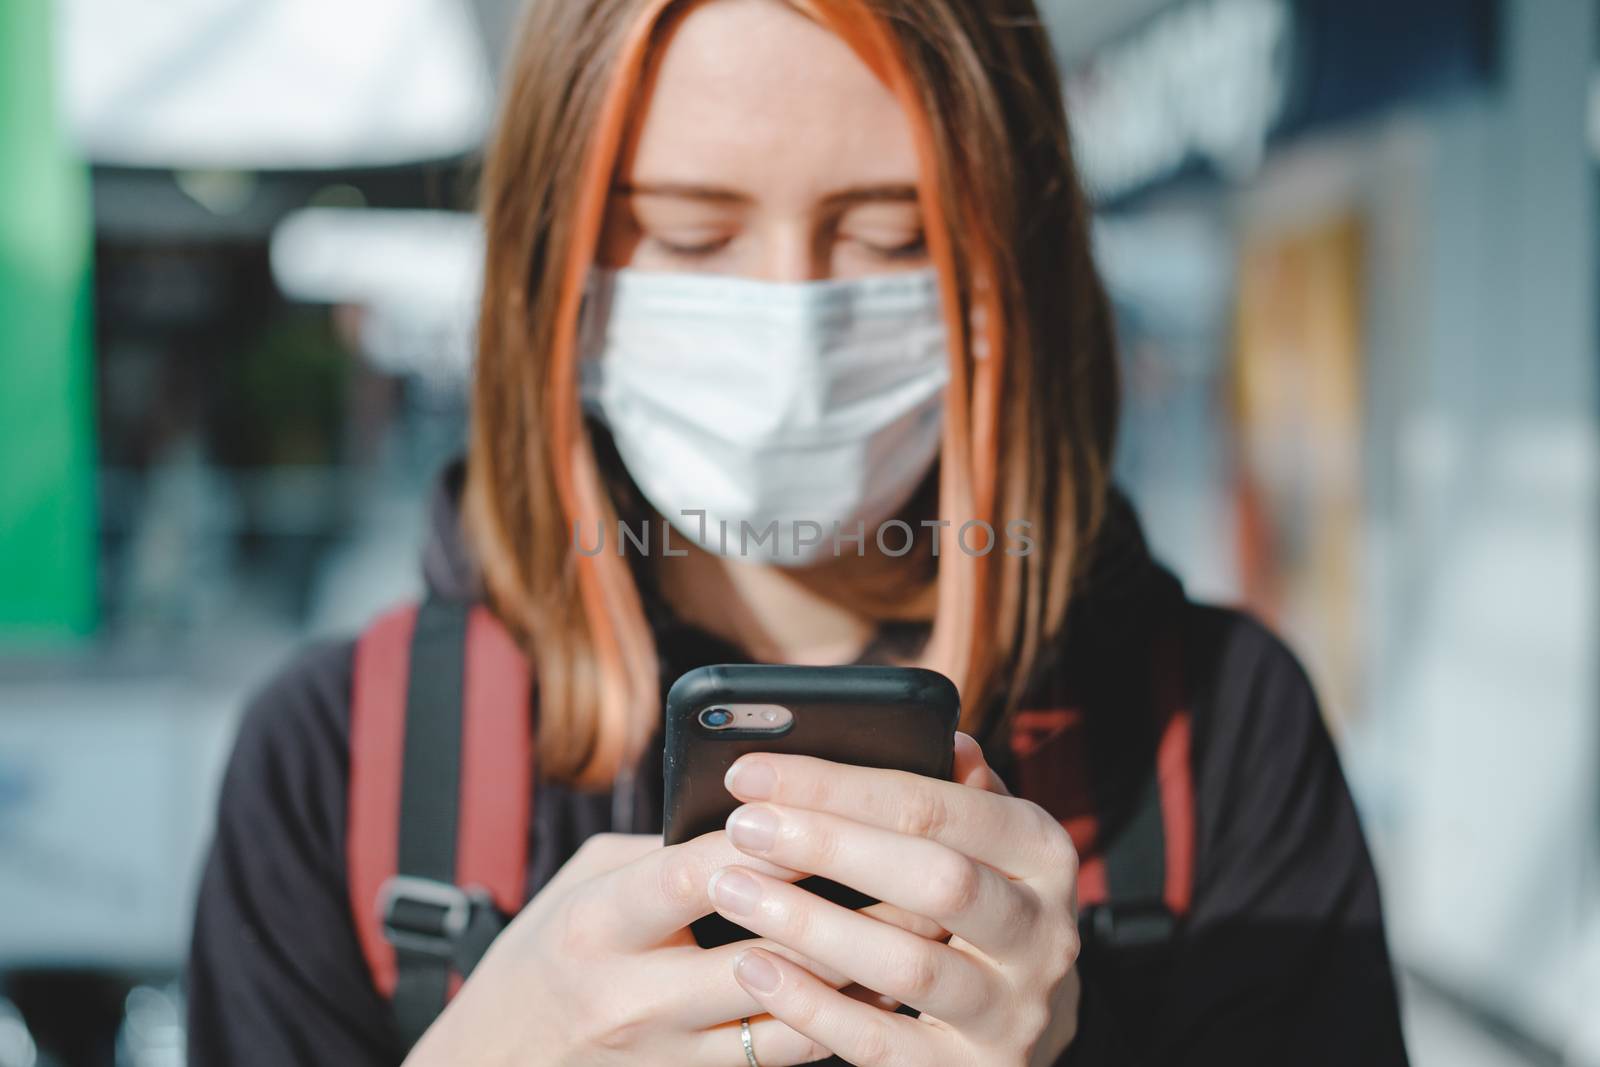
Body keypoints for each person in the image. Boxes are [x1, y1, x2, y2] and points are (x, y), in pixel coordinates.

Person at [186, 0, 1410, 1064]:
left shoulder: (1215, 730)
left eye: (889, 236)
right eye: (687, 235)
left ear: (1013, 264)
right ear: (548, 267)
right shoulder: (348, 765)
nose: (790, 321)